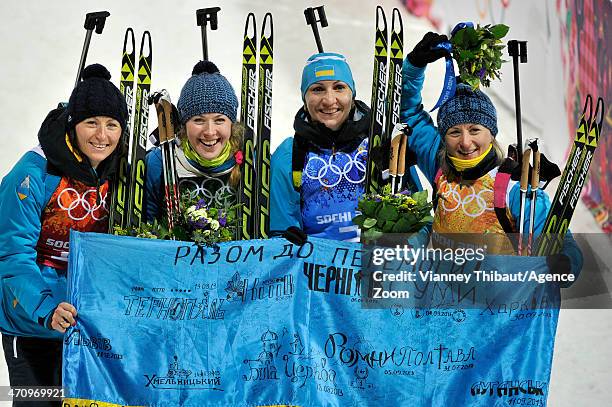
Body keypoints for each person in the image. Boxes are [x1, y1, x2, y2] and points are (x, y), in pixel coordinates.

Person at [400, 32, 582, 282]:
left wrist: (566, 264)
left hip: (494, 311)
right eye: (454, 132)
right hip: (444, 305)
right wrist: (414, 66)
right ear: (444, 136)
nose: (465, 142)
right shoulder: (439, 163)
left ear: (491, 133)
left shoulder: (513, 185)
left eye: (475, 130)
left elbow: (559, 238)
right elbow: (409, 113)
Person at [0, 63, 128, 403]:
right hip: (32, 323)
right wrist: (47, 308)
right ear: (73, 125)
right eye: (92, 123)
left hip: (88, 325)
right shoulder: (32, 173)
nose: (102, 135)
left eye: (112, 125)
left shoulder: (120, 173)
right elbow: (13, 256)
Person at [270, 52, 425, 242]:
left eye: (339, 87)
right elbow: (279, 232)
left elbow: (420, 220)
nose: (329, 100)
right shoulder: (288, 155)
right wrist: (288, 243)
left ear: (352, 94)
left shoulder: (382, 144)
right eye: (317, 89)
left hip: (374, 263)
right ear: (304, 98)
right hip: (317, 266)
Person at [145, 61, 243, 222]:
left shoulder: (251, 160)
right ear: (183, 125)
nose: (210, 131)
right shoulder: (159, 162)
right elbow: (146, 228)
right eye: (198, 120)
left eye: (219, 120)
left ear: (232, 124)